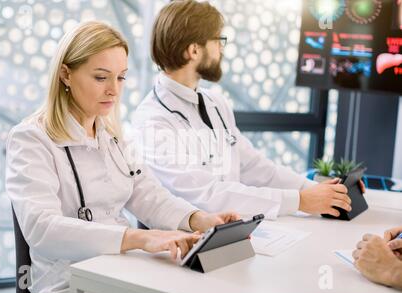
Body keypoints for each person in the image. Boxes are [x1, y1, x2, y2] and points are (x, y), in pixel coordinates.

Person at [5, 21, 240, 293]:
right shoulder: (31, 139)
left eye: (121, 77)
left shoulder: (117, 137)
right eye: (101, 77)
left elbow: (148, 195)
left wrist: (198, 219)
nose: (114, 91)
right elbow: (42, 229)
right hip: (69, 281)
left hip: (122, 268)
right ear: (66, 74)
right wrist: (140, 238)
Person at [132, 0, 364, 221]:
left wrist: (322, 192)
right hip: (189, 240)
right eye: (218, 40)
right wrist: (299, 200)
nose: (221, 49)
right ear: (194, 50)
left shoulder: (216, 104)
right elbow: (206, 195)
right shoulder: (153, 119)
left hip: (234, 228)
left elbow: (256, 167)